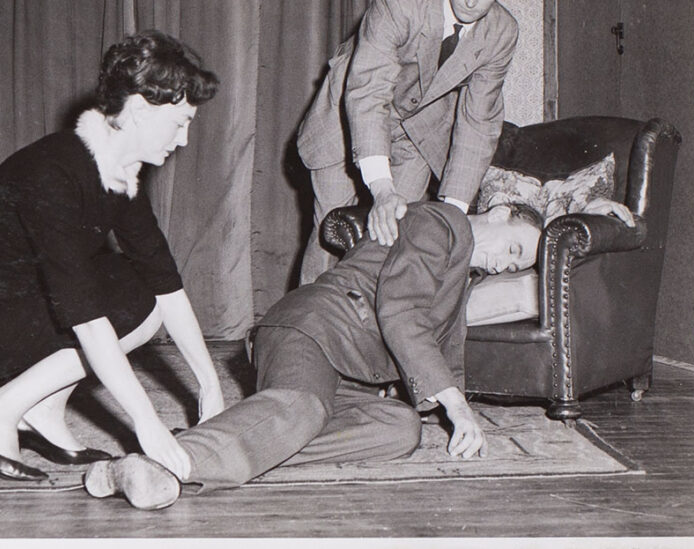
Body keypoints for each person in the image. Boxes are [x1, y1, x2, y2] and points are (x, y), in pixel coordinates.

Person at [83, 197, 635, 510]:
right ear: (493, 212)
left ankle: (210, 448)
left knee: (399, 429)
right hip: (315, 329)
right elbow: (398, 309)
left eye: (517, 266)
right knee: (301, 408)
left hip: (349, 373)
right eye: (514, 247)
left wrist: (449, 403)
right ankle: (163, 466)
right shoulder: (442, 223)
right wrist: (459, 408)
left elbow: (447, 351)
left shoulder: (460, 273)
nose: (507, 263)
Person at [0, 30, 225, 483]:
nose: (184, 140)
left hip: (13, 308)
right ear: (138, 109)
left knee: (144, 293)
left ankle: (43, 409)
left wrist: (210, 387)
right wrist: (146, 422)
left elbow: (166, 283)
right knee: (113, 307)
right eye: (180, 123)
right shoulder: (53, 172)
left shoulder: (120, 171)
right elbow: (86, 317)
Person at [296, 0, 519, 285]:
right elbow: (369, 92)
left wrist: (453, 211)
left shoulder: (502, 33)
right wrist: (382, 187)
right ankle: (302, 336)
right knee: (331, 233)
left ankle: (365, 339)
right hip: (348, 114)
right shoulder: (400, 1)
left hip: (417, 132)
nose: (472, 1)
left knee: (394, 240)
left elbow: (479, 123)